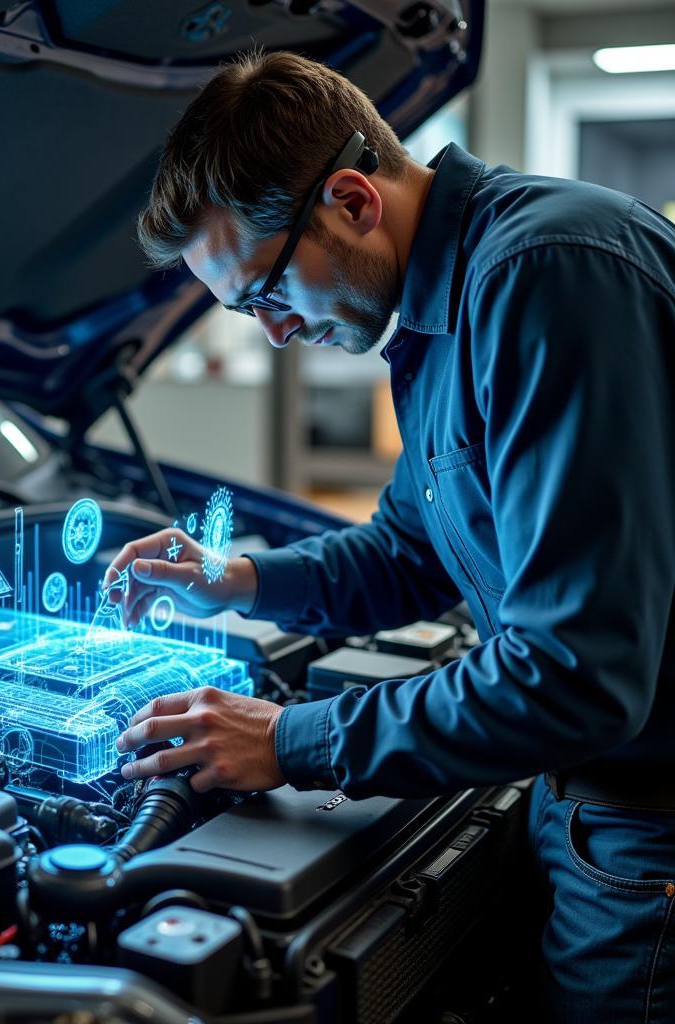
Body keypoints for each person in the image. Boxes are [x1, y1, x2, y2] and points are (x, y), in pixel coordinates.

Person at [102, 51, 674, 1021]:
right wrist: (235, 578)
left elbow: (576, 675)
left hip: (649, 827)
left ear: (352, 201)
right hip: (585, 798)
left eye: (264, 296)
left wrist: (291, 737)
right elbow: (411, 549)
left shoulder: (546, 275)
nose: (273, 334)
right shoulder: (444, 318)